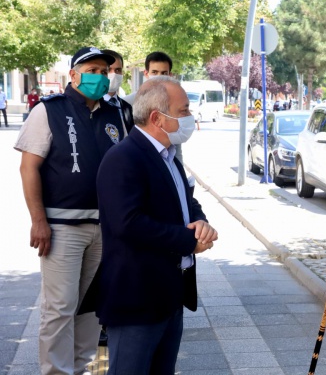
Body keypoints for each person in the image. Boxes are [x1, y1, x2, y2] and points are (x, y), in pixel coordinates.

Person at [95, 76, 218, 374]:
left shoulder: (169, 155)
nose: (190, 117)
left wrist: (200, 223)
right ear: (156, 118)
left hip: (169, 293)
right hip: (137, 297)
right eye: (184, 110)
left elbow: (185, 199)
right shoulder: (124, 158)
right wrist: (188, 241)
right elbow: (129, 223)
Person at [14, 46, 125, 374]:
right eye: (92, 71)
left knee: (91, 307)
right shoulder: (49, 111)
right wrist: (38, 221)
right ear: (73, 75)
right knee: (60, 308)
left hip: (105, 228)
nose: (100, 77)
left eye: (104, 72)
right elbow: (29, 168)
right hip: (62, 227)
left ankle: (79, 368)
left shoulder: (116, 114)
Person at [123, 51, 183, 162]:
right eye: (154, 72)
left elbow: (176, 144)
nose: (159, 77)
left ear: (170, 75)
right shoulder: (128, 103)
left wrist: (179, 168)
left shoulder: (174, 104)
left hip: (166, 162)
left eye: (164, 73)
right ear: (146, 73)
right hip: (137, 162)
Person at [101, 49, 134, 134]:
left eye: (118, 70)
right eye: (108, 69)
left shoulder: (127, 107)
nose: (114, 74)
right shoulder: (91, 105)